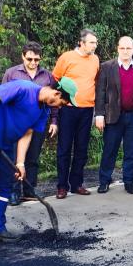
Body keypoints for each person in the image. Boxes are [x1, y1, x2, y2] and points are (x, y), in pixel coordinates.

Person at [0, 78, 76, 242]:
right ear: (57, 93)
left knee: (2, 186)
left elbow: (27, 133)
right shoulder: (23, 88)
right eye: (61, 103)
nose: (59, 107)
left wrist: (20, 162)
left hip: (6, 145)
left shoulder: (44, 111)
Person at [2, 41, 58, 206]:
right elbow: (3, 98)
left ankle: (29, 190)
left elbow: (54, 99)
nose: (33, 63)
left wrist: (54, 121)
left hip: (37, 123)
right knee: (13, 158)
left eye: (37, 59)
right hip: (15, 124)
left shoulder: (47, 76)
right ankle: (13, 191)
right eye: (30, 59)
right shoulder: (11, 74)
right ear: (23, 56)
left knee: (32, 158)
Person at [95, 36, 133, 194]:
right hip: (113, 116)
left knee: (132, 150)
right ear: (117, 49)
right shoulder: (107, 67)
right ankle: (104, 181)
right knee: (110, 149)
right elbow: (100, 92)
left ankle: (129, 182)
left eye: (128, 48)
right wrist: (99, 114)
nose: (125, 51)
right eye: (122, 48)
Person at [52, 29, 99, 199]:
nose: (95, 45)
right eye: (92, 42)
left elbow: (94, 82)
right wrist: (62, 102)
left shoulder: (95, 59)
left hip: (87, 110)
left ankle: (76, 184)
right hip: (68, 110)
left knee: (82, 149)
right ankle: (62, 186)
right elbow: (55, 79)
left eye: (95, 42)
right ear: (82, 42)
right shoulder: (67, 57)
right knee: (64, 149)